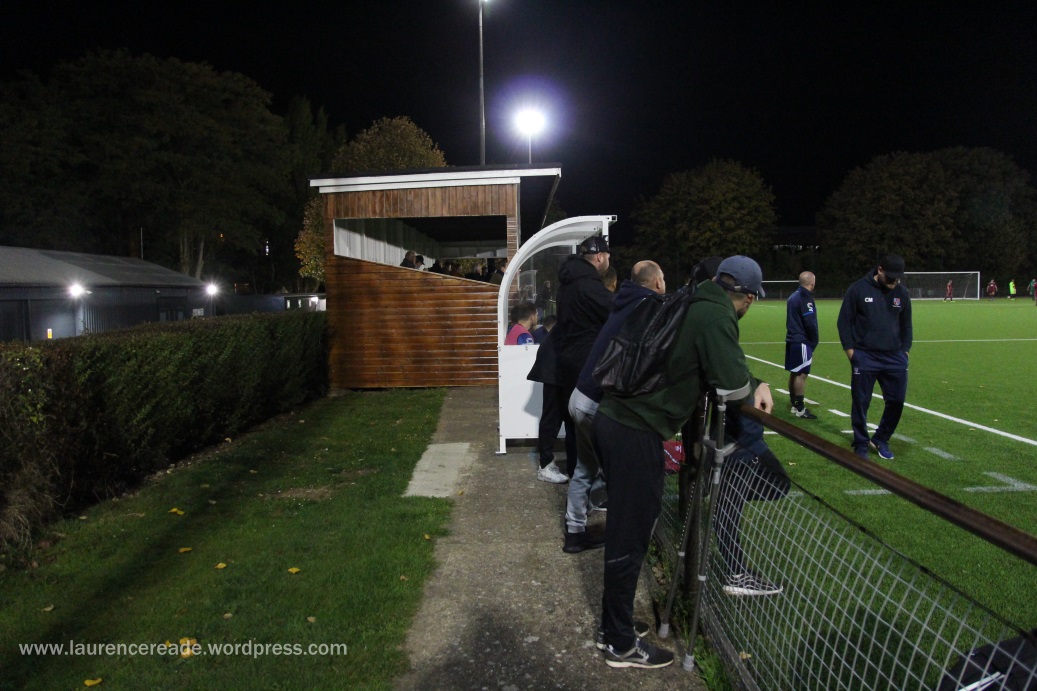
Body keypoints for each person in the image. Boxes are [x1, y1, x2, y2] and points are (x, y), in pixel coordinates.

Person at [593, 255, 773, 669]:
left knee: (627, 532)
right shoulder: (716, 314)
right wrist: (757, 385)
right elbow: (731, 387)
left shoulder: (692, 296)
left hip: (617, 421)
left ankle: (612, 626)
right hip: (633, 430)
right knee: (628, 538)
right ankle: (618, 642)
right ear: (747, 297)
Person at [565, 261, 666, 554]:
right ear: (657, 282)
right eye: (663, 278)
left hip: (579, 395)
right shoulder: (648, 307)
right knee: (621, 473)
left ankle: (574, 533)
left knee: (585, 469)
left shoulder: (624, 300)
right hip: (597, 403)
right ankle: (624, 541)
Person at [538, 235, 613, 483]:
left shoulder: (570, 280)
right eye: (607, 256)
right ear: (600, 257)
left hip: (565, 357)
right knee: (566, 418)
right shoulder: (587, 284)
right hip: (569, 360)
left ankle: (572, 471)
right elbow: (614, 311)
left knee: (568, 418)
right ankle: (566, 470)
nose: (608, 261)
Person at [837, 254, 912, 461]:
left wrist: (905, 351)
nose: (894, 281)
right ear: (879, 270)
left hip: (895, 358)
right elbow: (844, 322)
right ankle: (861, 442)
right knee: (861, 402)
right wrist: (851, 352)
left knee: (897, 401)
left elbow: (906, 325)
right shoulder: (858, 289)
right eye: (890, 277)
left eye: (898, 278)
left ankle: (881, 439)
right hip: (865, 356)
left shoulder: (902, 293)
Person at [785, 271, 819, 419]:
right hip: (802, 340)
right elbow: (810, 322)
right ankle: (800, 409)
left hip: (792, 339)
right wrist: (814, 340)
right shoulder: (805, 298)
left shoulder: (793, 296)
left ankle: (795, 404)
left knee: (795, 372)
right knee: (801, 374)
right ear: (812, 282)